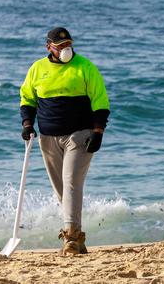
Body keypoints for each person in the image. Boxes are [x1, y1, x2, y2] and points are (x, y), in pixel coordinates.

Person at [19, 27, 110, 255]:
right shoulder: (37, 68)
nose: (65, 49)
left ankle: (69, 238)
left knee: (70, 182)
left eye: (68, 44)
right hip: (48, 138)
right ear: (49, 47)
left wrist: (98, 131)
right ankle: (77, 237)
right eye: (60, 46)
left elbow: (100, 100)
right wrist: (27, 124)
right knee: (61, 189)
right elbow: (27, 97)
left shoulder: (85, 67)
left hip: (79, 135)